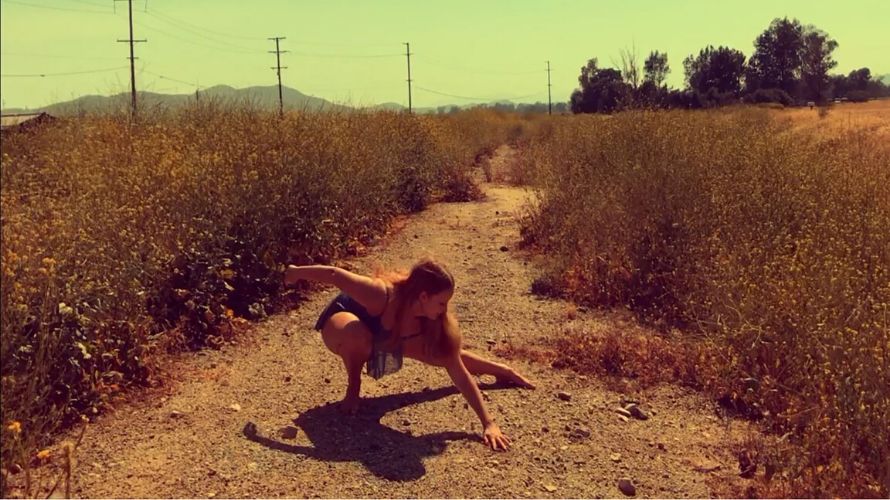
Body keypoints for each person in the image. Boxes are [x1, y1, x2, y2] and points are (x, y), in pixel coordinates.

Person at [283, 258, 535, 451]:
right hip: (343, 323)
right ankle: (354, 387)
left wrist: (488, 421)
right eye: (441, 302)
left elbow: (455, 364)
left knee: (440, 351)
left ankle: (501, 371)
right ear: (423, 296)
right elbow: (334, 275)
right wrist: (294, 273)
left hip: (385, 333)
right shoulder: (381, 294)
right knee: (360, 338)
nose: (445, 310)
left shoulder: (426, 320)